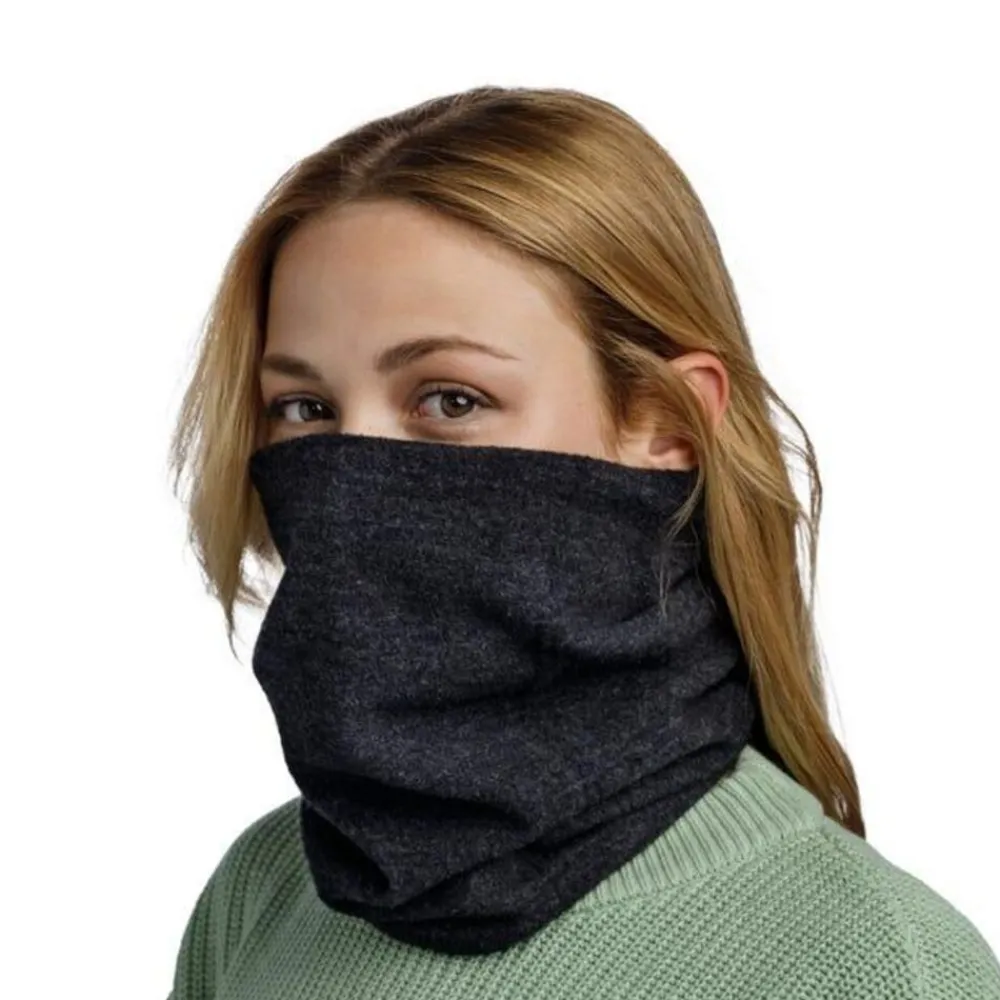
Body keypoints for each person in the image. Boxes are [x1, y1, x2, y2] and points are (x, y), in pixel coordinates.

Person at [164, 85, 1000, 998]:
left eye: (452, 399)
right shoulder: (266, 890)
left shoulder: (874, 962)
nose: (348, 472)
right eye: (304, 408)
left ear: (668, 420)